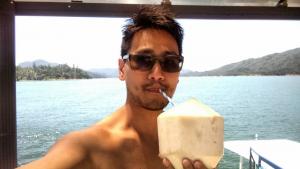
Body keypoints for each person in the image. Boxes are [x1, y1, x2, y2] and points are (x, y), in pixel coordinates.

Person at [17, 5, 208, 169]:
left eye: (171, 62)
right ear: (122, 69)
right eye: (143, 60)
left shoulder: (188, 139)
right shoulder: (87, 147)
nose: (157, 74)